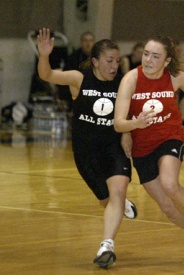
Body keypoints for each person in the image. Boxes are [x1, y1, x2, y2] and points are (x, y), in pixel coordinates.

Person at [114, 35, 184, 261]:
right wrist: (135, 124)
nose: (148, 60)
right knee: (166, 206)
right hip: (142, 147)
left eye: (155, 56)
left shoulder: (175, 77)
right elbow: (118, 122)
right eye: (146, 54)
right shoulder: (130, 79)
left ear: (166, 61)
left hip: (170, 137)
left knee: (170, 184)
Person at [37, 28, 137, 268]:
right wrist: (44, 55)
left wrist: (127, 133)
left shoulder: (122, 84)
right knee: (108, 201)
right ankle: (119, 205)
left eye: (116, 61)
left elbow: (128, 113)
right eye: (109, 61)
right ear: (95, 61)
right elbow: (47, 75)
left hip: (113, 148)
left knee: (118, 190)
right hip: (85, 154)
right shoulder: (79, 78)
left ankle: (107, 245)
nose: (114, 65)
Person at [57, 31, 95, 109]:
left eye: (90, 41)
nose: (88, 44)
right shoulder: (73, 57)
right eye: (85, 41)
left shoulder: (99, 57)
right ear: (81, 43)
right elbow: (65, 76)